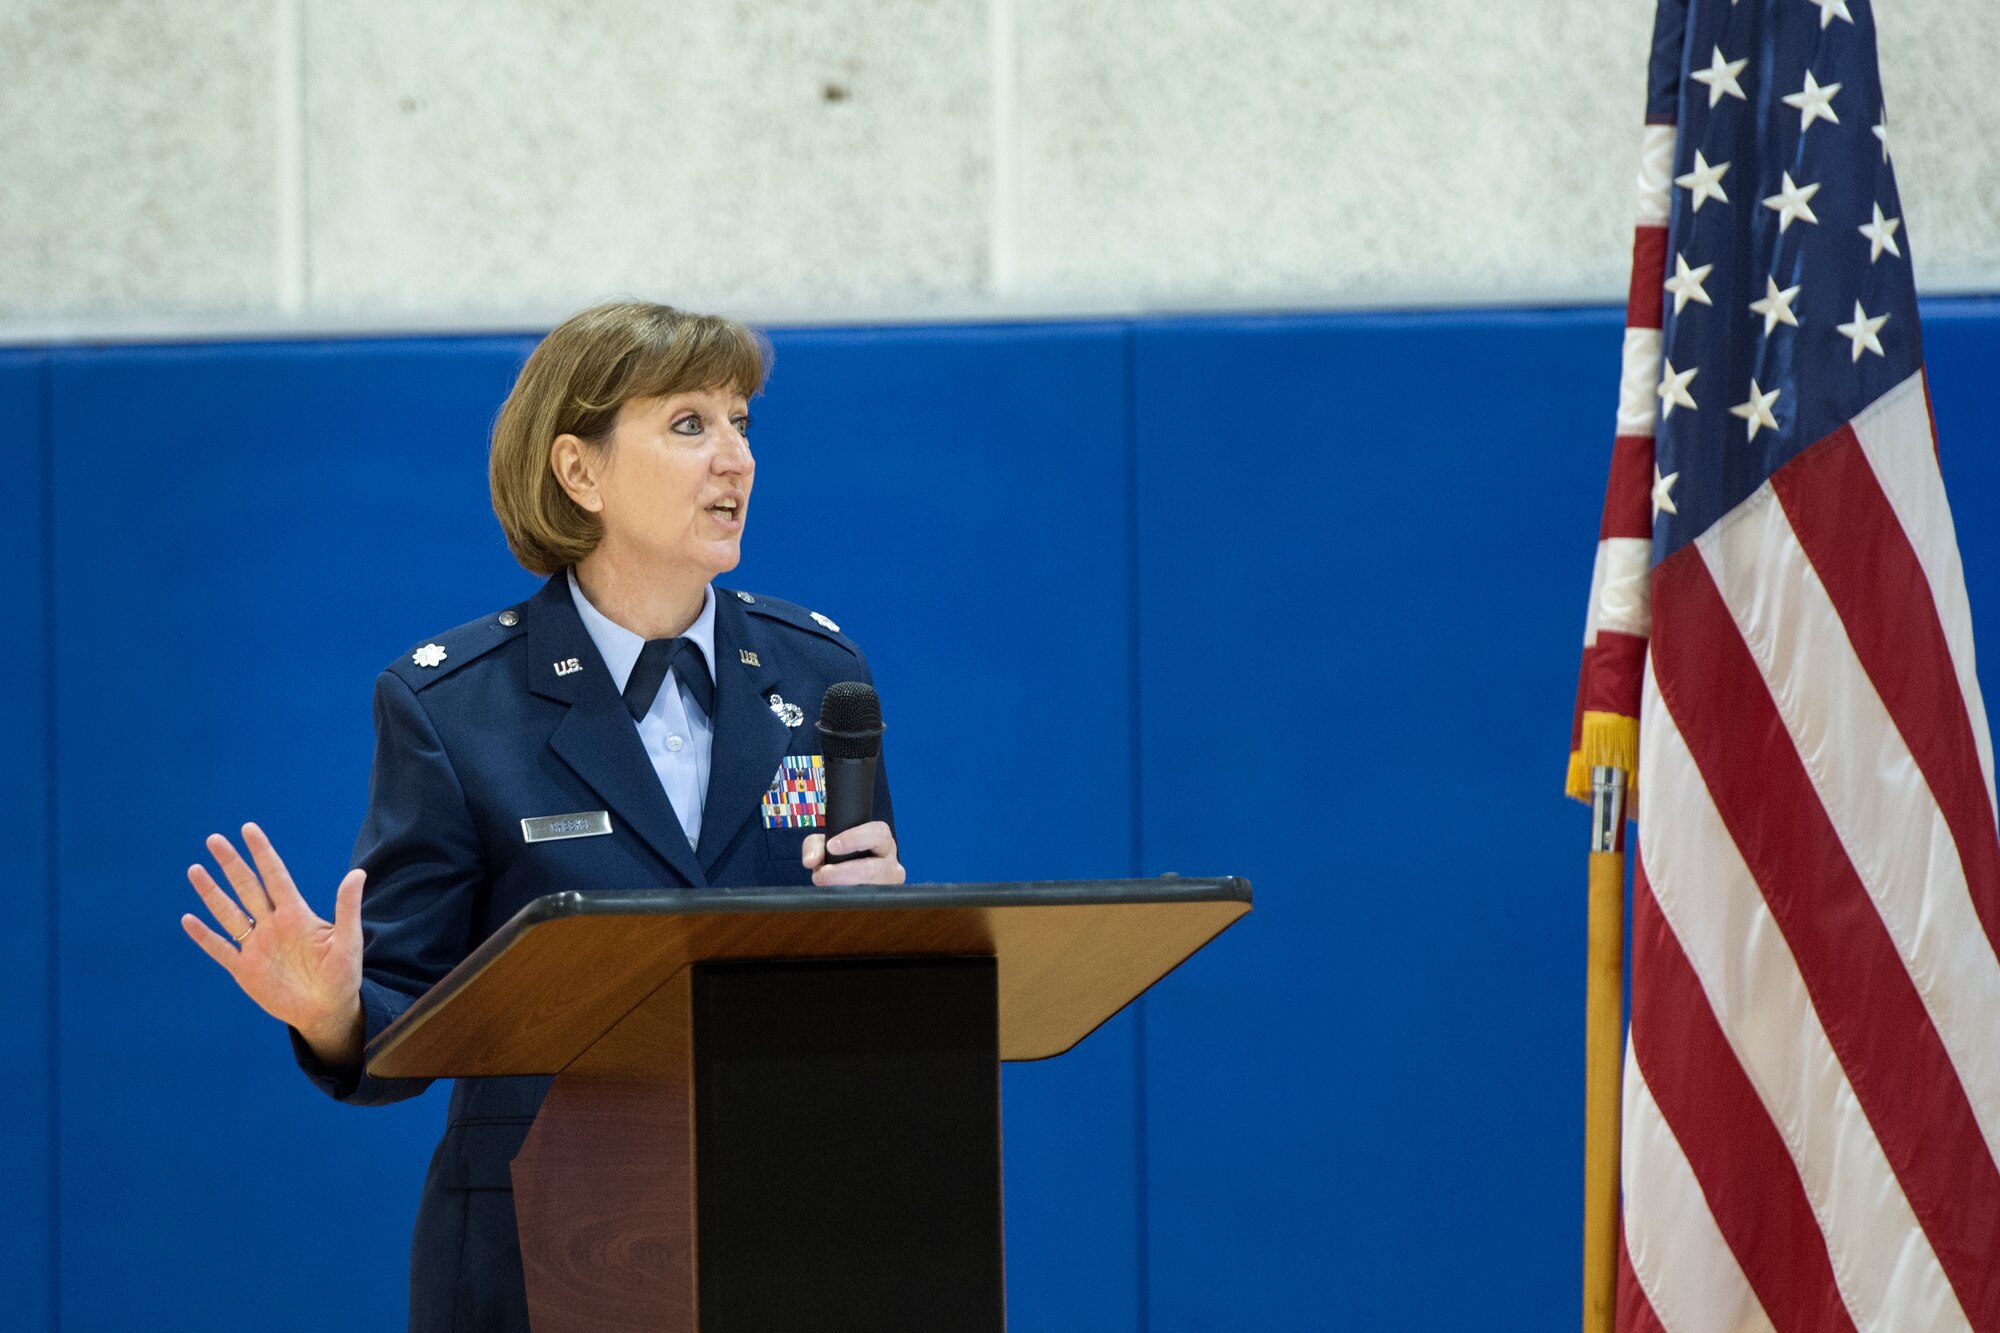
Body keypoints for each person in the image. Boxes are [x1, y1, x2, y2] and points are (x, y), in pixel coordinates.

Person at [178, 301, 906, 1332]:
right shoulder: (453, 705)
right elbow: (403, 1008)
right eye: (689, 424)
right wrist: (335, 1012)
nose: (735, 458)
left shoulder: (821, 675)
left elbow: (853, 961)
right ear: (579, 470)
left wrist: (889, 933)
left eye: (742, 421)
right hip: (540, 1244)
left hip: (785, 1215)